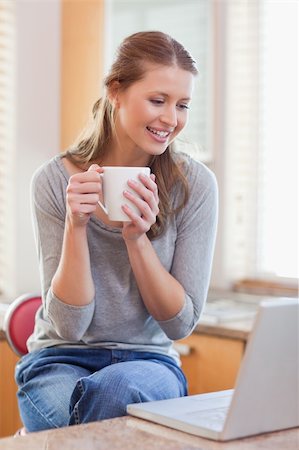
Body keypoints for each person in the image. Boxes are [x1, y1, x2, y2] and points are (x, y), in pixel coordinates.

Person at [15, 31, 218, 432]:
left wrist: (136, 238)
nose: (171, 119)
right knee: (107, 409)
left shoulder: (194, 186)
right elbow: (70, 327)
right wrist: (77, 225)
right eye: (157, 100)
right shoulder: (54, 181)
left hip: (149, 363)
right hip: (60, 360)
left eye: (182, 105)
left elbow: (179, 325)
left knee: (113, 389)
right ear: (115, 91)